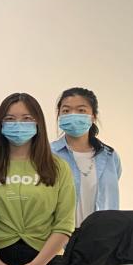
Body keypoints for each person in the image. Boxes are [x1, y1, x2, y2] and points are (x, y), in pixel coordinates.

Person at [0, 93, 75, 265]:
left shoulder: (58, 167)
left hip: (45, 261)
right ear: (0, 124)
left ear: (38, 123)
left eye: (26, 119)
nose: (18, 125)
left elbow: (64, 224)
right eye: (10, 119)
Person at [52, 88, 122, 227]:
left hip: (103, 235)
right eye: (66, 110)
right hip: (59, 236)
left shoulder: (110, 156)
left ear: (93, 116)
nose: (73, 115)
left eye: (81, 110)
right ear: (59, 115)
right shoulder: (48, 154)